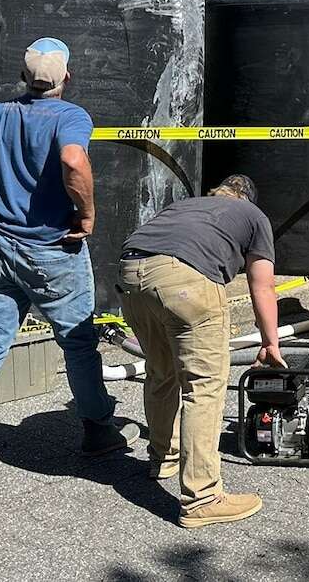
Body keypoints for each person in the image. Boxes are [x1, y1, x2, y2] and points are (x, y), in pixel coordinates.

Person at [0, 37, 134, 486]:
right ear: (67, 78)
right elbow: (73, 160)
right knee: (77, 343)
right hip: (53, 251)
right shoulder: (71, 116)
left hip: (1, 248)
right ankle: (98, 430)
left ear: (23, 76)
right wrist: (88, 214)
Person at [117, 174, 284, 529]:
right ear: (248, 199)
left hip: (130, 275)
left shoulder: (185, 205)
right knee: (203, 387)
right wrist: (270, 341)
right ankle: (203, 498)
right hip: (184, 279)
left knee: (161, 373)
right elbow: (263, 285)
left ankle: (163, 457)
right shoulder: (254, 217)